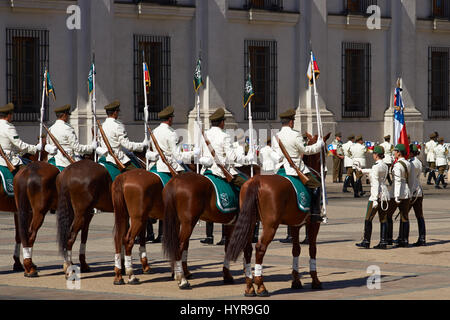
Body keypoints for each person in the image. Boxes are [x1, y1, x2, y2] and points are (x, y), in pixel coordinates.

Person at [199, 108, 250, 245]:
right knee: (248, 186)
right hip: (221, 172)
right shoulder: (224, 136)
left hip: (206, 171)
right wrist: (245, 157)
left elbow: (200, 153)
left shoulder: (204, 134)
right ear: (222, 122)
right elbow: (232, 157)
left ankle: (211, 236)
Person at [272, 108, 325, 223]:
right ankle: (315, 213)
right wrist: (318, 145)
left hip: (280, 168)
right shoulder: (295, 135)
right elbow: (305, 150)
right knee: (316, 186)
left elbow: (275, 154)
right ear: (291, 122)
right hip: (294, 168)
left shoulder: (276, 136)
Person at [355, 146, 390, 249]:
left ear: (376, 155)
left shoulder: (376, 167)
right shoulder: (384, 165)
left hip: (377, 195)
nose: (373, 155)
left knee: (368, 218)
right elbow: (375, 172)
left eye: (374, 153)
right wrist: (362, 170)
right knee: (383, 219)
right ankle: (383, 242)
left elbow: (375, 183)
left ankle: (366, 241)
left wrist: (374, 199)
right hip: (384, 194)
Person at [99, 100, 147, 171]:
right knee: (138, 173)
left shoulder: (102, 125)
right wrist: (142, 146)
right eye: (118, 112)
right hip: (116, 157)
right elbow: (127, 145)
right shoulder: (118, 126)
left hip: (104, 156)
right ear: (115, 112)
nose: (118, 114)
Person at [47, 104, 96, 170]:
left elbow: (48, 145)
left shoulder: (51, 128)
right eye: (68, 115)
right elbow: (77, 148)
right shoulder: (67, 128)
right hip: (65, 161)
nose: (68, 117)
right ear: (64, 115)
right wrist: (91, 147)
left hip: (52, 159)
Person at [0, 103, 41, 173]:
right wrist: (35, 148)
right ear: (9, 115)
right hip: (7, 160)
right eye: (11, 115)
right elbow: (19, 144)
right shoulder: (9, 127)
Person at [385, 144, 411, 248]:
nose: (394, 152)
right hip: (406, 192)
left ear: (399, 153)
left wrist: (395, 196)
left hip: (397, 193)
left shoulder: (397, 165)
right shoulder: (408, 163)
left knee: (388, 215)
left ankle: (388, 238)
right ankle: (404, 240)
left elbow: (398, 181)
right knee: (405, 217)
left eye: (395, 151)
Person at [408, 144, 426, 246]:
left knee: (404, 215)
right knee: (420, 216)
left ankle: (403, 237)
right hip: (418, 192)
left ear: (411, 152)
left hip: (412, 192)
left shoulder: (411, 163)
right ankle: (422, 238)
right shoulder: (418, 162)